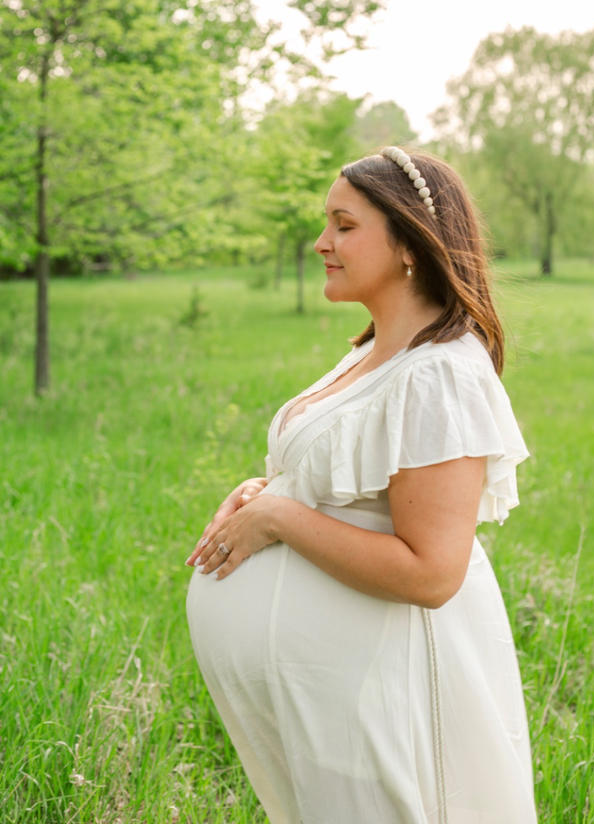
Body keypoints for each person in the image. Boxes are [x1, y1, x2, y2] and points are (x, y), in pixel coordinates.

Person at [185, 146, 537, 824]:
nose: (322, 243)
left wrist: (281, 519)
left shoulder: (439, 376)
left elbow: (432, 571)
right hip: (342, 696)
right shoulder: (372, 352)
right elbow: (352, 481)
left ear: (408, 243)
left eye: (344, 225)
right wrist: (267, 491)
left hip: (390, 689)